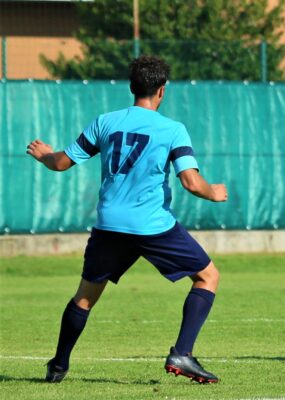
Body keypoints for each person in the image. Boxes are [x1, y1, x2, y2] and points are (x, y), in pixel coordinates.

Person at [26, 55, 227, 384]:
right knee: (207, 276)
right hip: (153, 226)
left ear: (132, 88)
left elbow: (61, 163)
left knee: (85, 298)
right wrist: (213, 192)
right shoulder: (172, 129)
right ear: (162, 90)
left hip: (110, 226)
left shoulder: (105, 122)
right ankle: (182, 353)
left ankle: (58, 366)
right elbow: (191, 182)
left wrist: (45, 154)